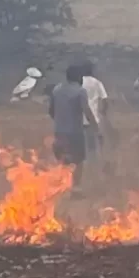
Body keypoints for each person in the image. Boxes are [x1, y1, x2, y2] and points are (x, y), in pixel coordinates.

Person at [49, 65, 99, 195]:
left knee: (63, 160)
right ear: (79, 77)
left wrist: (60, 120)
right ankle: (75, 188)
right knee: (78, 160)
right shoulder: (80, 91)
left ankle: (62, 186)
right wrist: (96, 127)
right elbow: (86, 110)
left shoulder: (56, 89)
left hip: (59, 131)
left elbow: (51, 110)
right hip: (75, 132)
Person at [78, 60, 109, 163]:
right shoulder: (97, 82)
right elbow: (104, 99)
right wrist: (103, 112)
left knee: (80, 144)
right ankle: (93, 164)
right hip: (93, 118)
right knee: (92, 145)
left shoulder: (78, 82)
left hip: (78, 118)